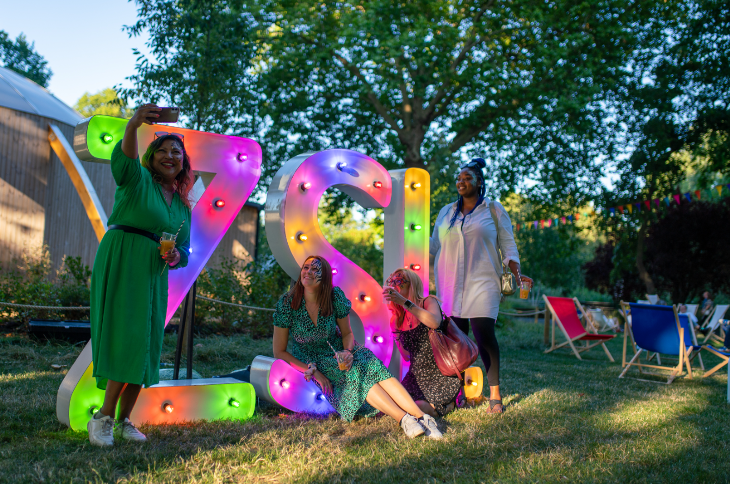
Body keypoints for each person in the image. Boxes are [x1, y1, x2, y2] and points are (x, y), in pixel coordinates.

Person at [87, 104, 193, 447]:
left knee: (146, 342)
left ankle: (124, 421)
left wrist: (177, 255)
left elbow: (185, 252)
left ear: (182, 163)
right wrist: (134, 123)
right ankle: (102, 418)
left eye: (176, 151)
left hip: (153, 272)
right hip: (123, 259)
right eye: (161, 150)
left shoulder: (181, 206)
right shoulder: (137, 178)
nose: (169, 155)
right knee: (126, 337)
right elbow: (128, 154)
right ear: (151, 157)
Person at [272, 256, 442, 439]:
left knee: (369, 362)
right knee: (357, 373)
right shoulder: (287, 304)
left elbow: (347, 334)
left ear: (325, 277)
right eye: (306, 268)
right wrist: (312, 371)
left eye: (316, 270)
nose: (309, 272)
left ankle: (422, 417)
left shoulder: (334, 296)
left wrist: (347, 351)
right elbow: (279, 351)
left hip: (339, 349)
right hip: (312, 360)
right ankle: (404, 420)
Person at [430, 158, 532, 414]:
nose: (461, 182)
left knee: (484, 334)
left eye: (467, 178)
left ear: (479, 182)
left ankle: (495, 394)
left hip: (483, 281)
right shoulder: (445, 212)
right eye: (459, 178)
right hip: (450, 284)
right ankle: (461, 394)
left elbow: (509, 248)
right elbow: (432, 248)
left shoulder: (493, 210)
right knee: (456, 339)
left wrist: (518, 275)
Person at [383, 268, 461, 418]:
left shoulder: (427, 302)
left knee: (417, 407)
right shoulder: (397, 319)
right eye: (391, 282)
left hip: (440, 373)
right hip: (416, 376)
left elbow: (434, 322)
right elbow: (406, 356)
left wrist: (405, 303)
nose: (394, 286)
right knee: (392, 404)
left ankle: (446, 405)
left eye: (398, 281)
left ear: (411, 284)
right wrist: (396, 332)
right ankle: (441, 405)